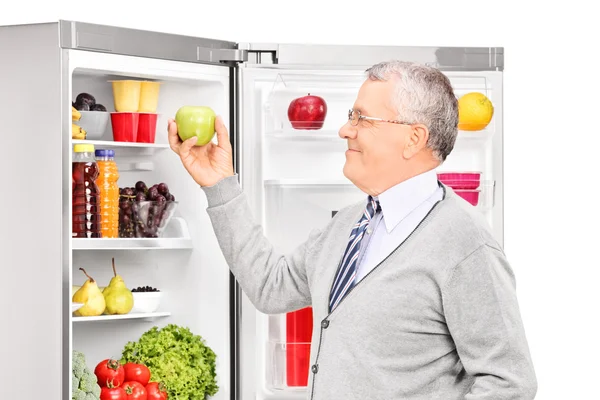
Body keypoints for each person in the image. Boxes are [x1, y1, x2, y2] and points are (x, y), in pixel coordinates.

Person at [167, 60, 538, 400]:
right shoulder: (348, 225)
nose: (345, 129)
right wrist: (220, 185)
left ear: (414, 138)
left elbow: (509, 383)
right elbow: (270, 287)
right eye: (350, 115)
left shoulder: (465, 243)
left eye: (362, 118)